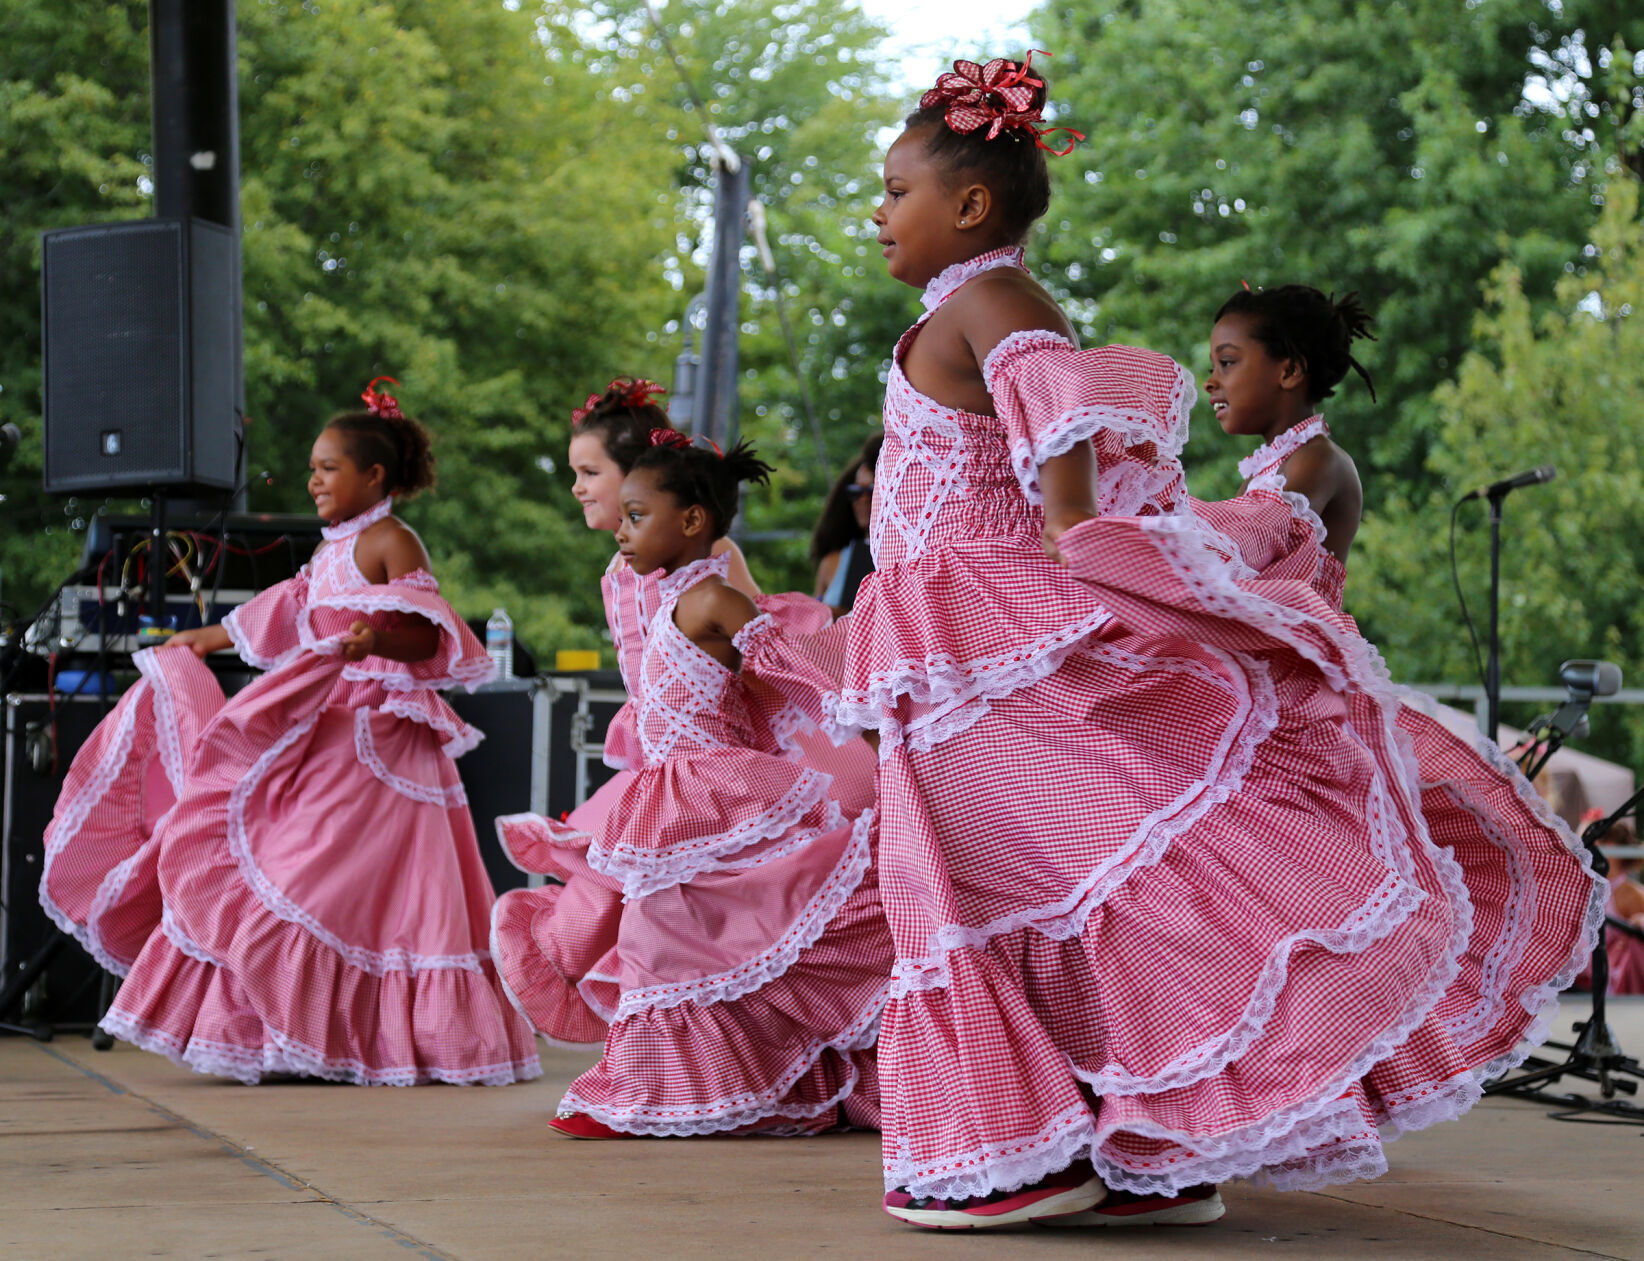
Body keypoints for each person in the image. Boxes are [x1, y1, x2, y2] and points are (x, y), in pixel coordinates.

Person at [739, 53, 1602, 1230]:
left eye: (897, 191)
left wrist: (1101, 553)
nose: (878, 212)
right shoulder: (963, 310)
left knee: (1001, 881)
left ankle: (1035, 1152)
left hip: (991, 643)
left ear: (973, 206)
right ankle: (1143, 1146)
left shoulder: (996, 305)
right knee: (1013, 884)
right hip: (954, 648)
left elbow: (1067, 477)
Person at [39, 378, 540, 1084]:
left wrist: (376, 639)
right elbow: (283, 607)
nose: (313, 480)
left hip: (382, 735)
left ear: (374, 475)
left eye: (327, 467)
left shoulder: (391, 538)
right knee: (305, 872)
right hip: (333, 725)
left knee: (336, 882)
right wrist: (204, 640)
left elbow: (424, 626)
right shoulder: (332, 549)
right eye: (312, 467)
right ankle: (290, 1031)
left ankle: (364, 1034)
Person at [490, 379, 878, 1057]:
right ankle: (658, 1029)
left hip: (716, 761)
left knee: (676, 893)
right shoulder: (626, 566)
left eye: (592, 474)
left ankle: (696, 1031)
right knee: (643, 886)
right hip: (662, 757)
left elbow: (764, 654)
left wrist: (856, 718)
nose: (581, 489)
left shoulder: (709, 573)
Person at [811, 433, 882, 612]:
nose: (863, 499)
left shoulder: (905, 558)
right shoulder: (831, 563)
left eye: (872, 490)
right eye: (856, 492)